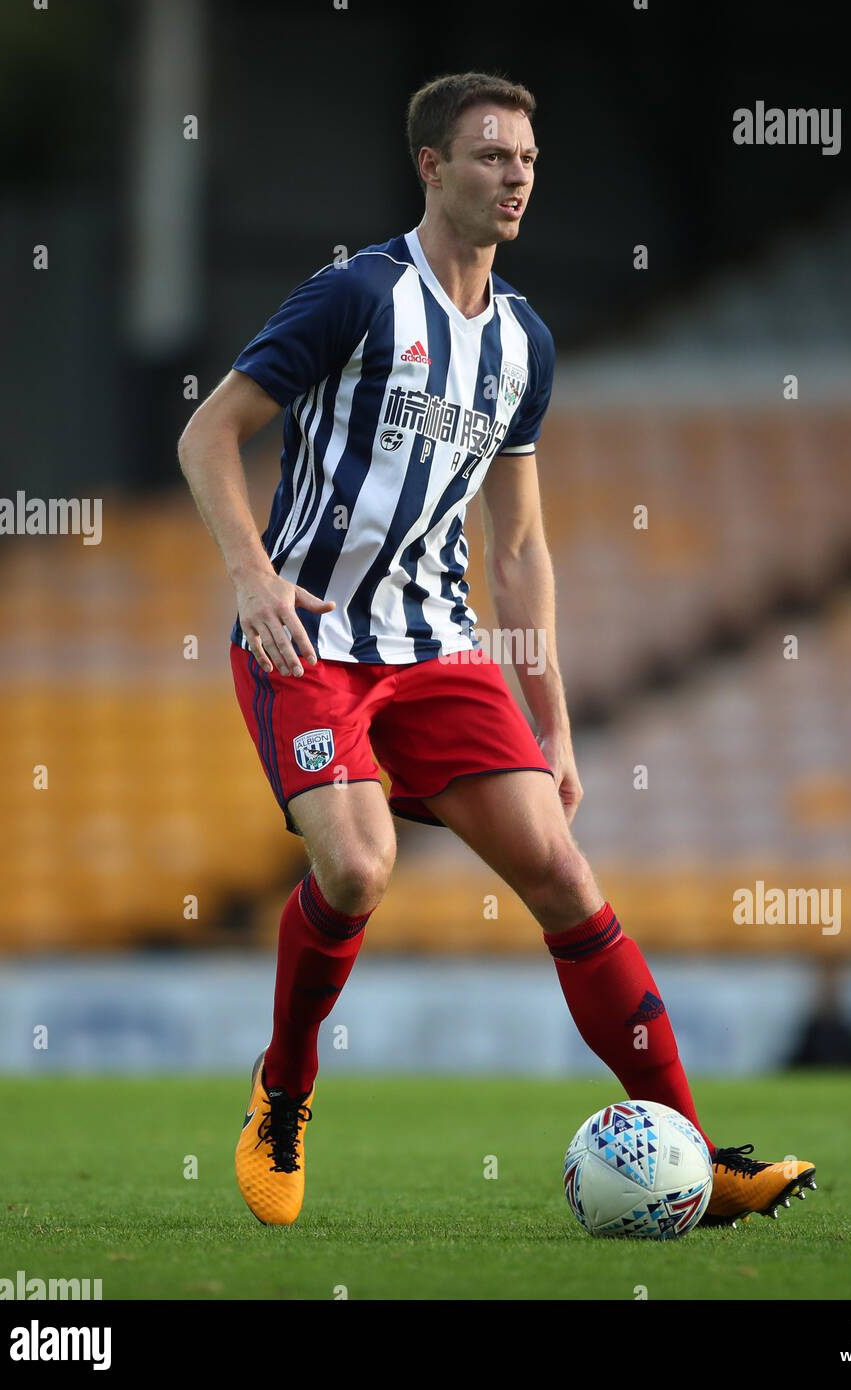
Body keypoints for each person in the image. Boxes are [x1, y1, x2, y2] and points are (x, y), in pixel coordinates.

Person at [177, 70, 815, 1231]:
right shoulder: (356, 296)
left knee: (567, 877)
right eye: (490, 156)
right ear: (432, 167)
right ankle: (284, 1091)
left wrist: (554, 715)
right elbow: (207, 432)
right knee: (358, 869)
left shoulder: (524, 341)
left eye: (526, 159)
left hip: (440, 648)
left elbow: (518, 546)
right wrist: (253, 576)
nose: (516, 176)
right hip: (313, 637)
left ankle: (701, 1158)